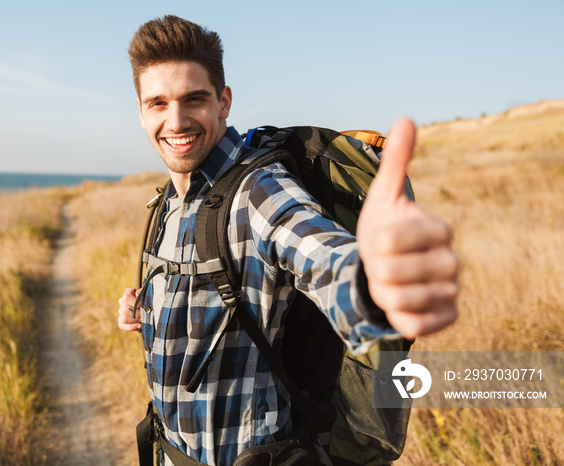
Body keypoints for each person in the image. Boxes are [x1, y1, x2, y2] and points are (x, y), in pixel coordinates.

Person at [118, 15, 459, 465]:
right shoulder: (170, 200)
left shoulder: (260, 190)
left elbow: (322, 255)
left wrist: (377, 285)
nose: (176, 120)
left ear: (224, 102)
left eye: (194, 99)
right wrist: (149, 308)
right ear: (141, 111)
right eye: (158, 103)